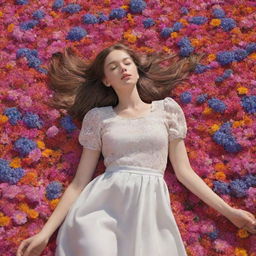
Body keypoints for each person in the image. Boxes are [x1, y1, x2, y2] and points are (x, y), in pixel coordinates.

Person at [17, 42, 256, 256]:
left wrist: (229, 212)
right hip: (99, 208)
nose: (122, 68)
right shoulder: (98, 118)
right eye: (113, 67)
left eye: (126, 62)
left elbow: (185, 173)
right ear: (106, 80)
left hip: (147, 211)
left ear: (136, 69)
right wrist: (45, 234)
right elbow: (79, 183)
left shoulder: (167, 111)